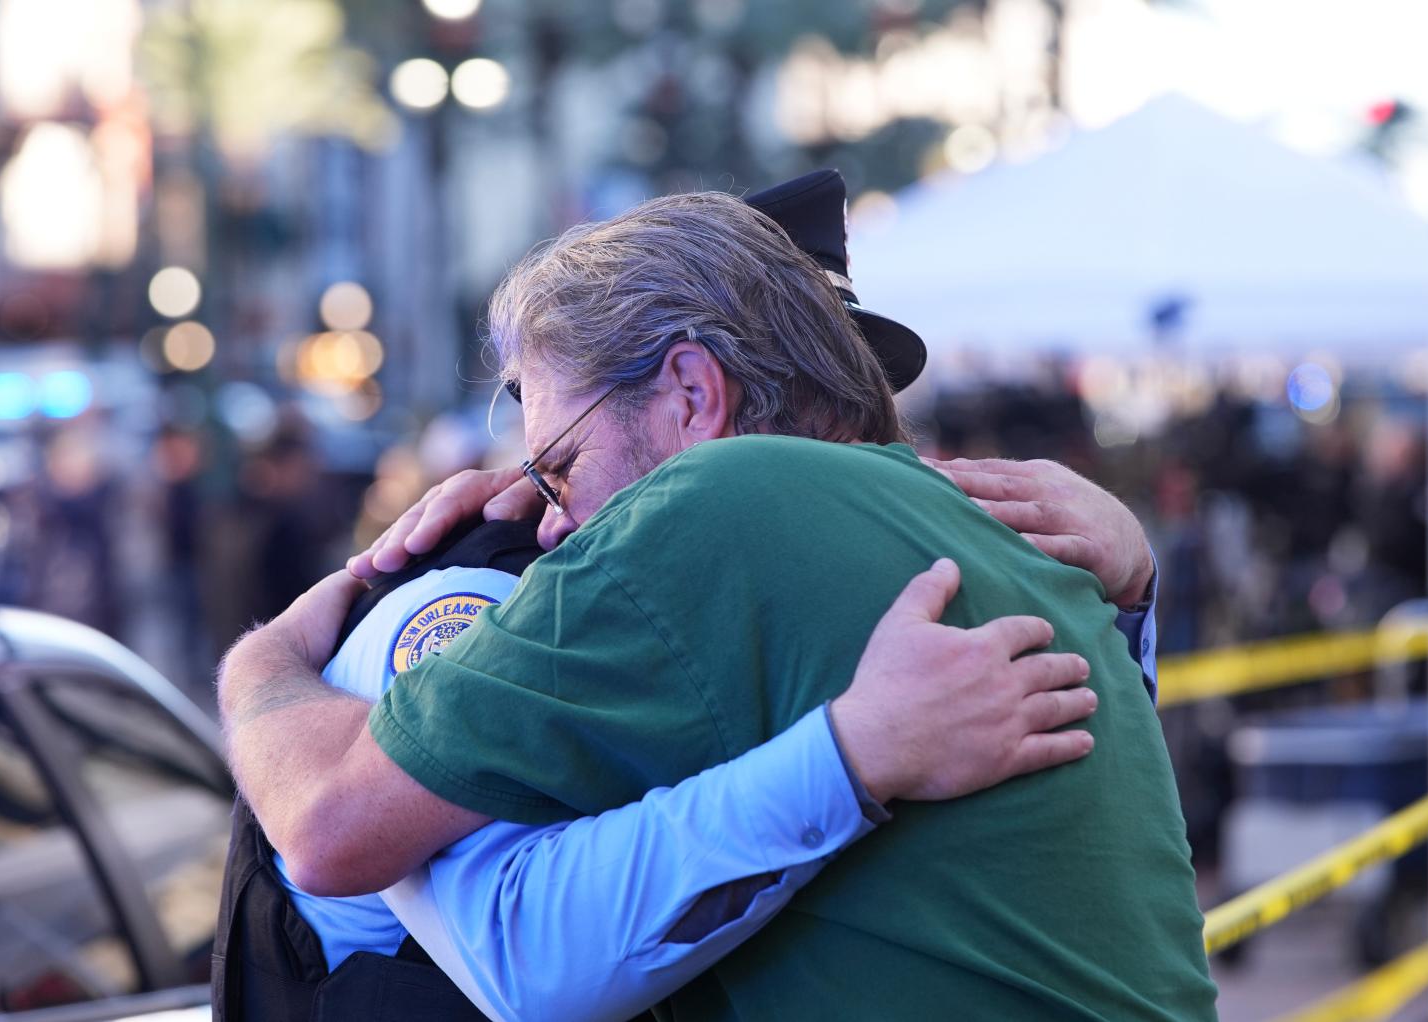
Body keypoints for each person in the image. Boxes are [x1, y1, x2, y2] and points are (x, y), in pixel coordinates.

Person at [221, 191, 1215, 1019]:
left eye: (558, 466)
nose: (553, 525)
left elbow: (332, 832)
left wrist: (260, 658)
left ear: (693, 395)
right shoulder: (1016, 535)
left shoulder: (713, 502)